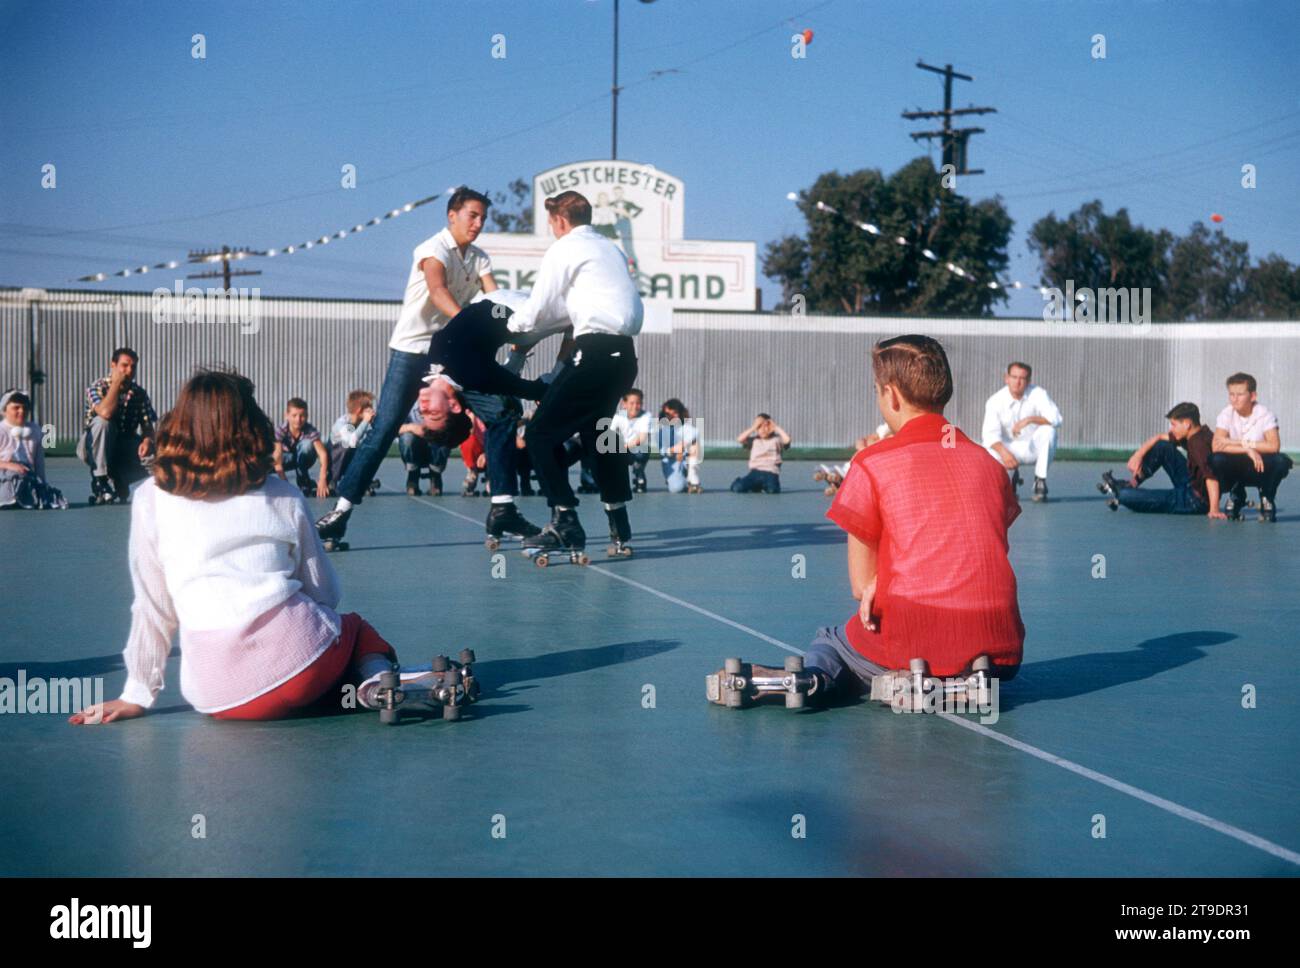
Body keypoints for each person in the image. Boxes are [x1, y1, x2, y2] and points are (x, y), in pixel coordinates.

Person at [66, 369, 415, 726]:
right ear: (251, 426)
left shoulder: (149, 500)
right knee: (355, 628)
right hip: (304, 666)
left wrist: (136, 693)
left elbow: (152, 606)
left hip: (218, 696)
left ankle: (336, 686)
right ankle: (373, 677)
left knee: (286, 674)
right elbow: (325, 592)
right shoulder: (283, 495)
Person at [708, 335, 1023, 706]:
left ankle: (814, 678)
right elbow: (978, 548)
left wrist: (878, 583)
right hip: (1000, 641)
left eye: (875, 390)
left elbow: (861, 587)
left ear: (891, 395)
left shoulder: (872, 462)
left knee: (831, 640)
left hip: (912, 635)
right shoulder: (989, 464)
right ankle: (966, 679)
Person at [315, 187, 498, 547]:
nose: (478, 224)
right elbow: (437, 290)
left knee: (500, 412)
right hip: (412, 348)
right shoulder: (433, 249)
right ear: (452, 216)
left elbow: (494, 298)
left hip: (448, 351)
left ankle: (504, 505)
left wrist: (512, 328)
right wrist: (470, 324)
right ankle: (341, 510)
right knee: (384, 427)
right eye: (472, 216)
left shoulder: (479, 258)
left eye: (483, 218)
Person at [505, 191, 644, 557]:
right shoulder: (609, 248)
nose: (552, 230)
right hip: (624, 356)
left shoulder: (564, 248)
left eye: (551, 223)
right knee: (598, 433)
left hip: (594, 353)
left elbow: (536, 309)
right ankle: (620, 526)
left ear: (560, 222)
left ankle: (565, 519)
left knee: (537, 435)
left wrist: (510, 326)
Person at [1098, 403, 1225, 518]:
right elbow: (1159, 437)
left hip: (1195, 501)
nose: (1171, 429)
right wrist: (1138, 455)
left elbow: (1211, 477)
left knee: (1126, 495)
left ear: (1187, 424)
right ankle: (1131, 484)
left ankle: (1123, 493)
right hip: (1191, 483)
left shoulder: (1198, 445)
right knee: (1163, 446)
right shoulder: (1196, 433)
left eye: (1174, 425)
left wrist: (1214, 509)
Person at [76, 347, 156, 504]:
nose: (129, 371)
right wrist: (115, 385)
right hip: (94, 447)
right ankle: (100, 479)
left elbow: (148, 426)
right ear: (113, 365)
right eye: (124, 365)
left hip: (124, 446)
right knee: (103, 422)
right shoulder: (97, 387)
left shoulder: (139, 393)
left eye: (133, 367)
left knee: (160, 459)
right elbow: (105, 412)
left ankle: (120, 477)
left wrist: (147, 441)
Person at [1210, 372, 1291, 522]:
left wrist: (1241, 444)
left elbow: (1274, 446)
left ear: (1252, 396)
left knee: (1281, 461)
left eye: (1240, 394)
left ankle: (1267, 495)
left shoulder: (1265, 414)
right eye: (1231, 394)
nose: (1234, 399)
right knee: (1216, 459)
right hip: (1237, 464)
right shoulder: (1226, 414)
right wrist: (1247, 449)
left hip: (1259, 465)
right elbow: (1216, 445)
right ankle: (1237, 493)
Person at [981, 362, 1062, 502]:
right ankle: (1008, 482)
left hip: (1031, 448)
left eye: (1023, 378)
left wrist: (1030, 419)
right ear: (1006, 378)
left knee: (1049, 432)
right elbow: (989, 435)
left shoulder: (1038, 394)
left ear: (1029, 381)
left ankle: (1040, 481)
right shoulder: (994, 401)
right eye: (1014, 377)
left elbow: (1056, 419)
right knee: (989, 449)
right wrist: (1004, 453)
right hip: (1007, 450)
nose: (1018, 382)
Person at [0, 390, 67, 510]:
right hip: (4, 475)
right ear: (4, 411)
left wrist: (43, 483)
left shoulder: (35, 430)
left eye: (25, 408)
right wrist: (9, 465)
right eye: (16, 408)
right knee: (13, 475)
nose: (22, 411)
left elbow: (39, 462)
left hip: (26, 475)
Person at [273, 398, 330, 499]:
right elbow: (277, 459)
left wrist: (322, 478)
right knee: (270, 457)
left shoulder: (310, 430)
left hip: (304, 459)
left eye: (302, 416)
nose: (298, 420)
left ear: (307, 416)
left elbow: (323, 454)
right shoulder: (280, 431)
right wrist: (285, 484)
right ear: (287, 415)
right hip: (286, 460)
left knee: (307, 445)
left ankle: (304, 482)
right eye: (294, 415)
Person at [328, 390, 377, 493]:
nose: (372, 410)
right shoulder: (342, 423)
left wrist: (374, 424)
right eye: (370, 408)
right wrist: (365, 421)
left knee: (369, 447)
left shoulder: (364, 422)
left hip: (351, 457)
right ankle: (332, 480)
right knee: (345, 446)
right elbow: (352, 441)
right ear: (359, 410)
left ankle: (362, 480)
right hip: (335, 460)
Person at [397, 403, 449, 496]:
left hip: (434, 442)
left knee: (445, 435)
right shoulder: (406, 401)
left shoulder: (441, 398)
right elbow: (395, 428)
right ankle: (413, 474)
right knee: (407, 438)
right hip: (414, 443)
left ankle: (435, 475)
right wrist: (411, 427)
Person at [731, 414, 790, 493]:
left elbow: (787, 440)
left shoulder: (777, 440)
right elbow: (739, 439)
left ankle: (761, 486)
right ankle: (741, 481)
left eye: (765, 426)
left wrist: (776, 427)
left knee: (773, 491)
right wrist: (753, 427)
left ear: (770, 427)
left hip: (771, 473)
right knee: (738, 488)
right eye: (759, 427)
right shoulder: (754, 440)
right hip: (754, 473)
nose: (762, 429)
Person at [609, 388, 653, 493]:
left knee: (641, 451)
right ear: (624, 404)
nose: (635, 406)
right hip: (624, 448)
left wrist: (623, 448)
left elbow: (642, 438)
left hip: (638, 449)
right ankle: (615, 480)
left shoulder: (646, 416)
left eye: (638, 403)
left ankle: (640, 478)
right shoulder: (618, 416)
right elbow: (610, 434)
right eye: (631, 403)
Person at [659, 398, 702, 494]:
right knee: (676, 489)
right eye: (668, 414)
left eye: (674, 413)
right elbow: (663, 451)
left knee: (694, 445)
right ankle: (678, 479)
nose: (671, 417)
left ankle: (692, 477)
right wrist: (673, 450)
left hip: (685, 459)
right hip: (671, 462)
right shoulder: (661, 431)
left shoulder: (688, 428)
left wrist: (681, 448)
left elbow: (695, 434)